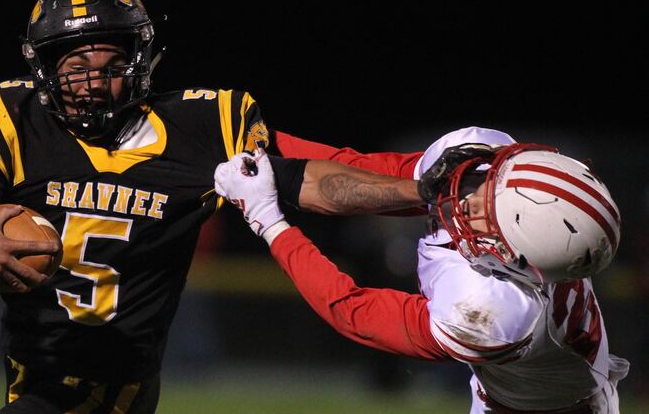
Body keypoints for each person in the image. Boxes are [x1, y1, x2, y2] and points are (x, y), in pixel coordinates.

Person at [0, 0, 430, 412]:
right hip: (36, 378)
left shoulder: (201, 129)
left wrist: (429, 192)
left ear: (140, 63)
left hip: (123, 385)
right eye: (75, 67)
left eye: (110, 66)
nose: (92, 83)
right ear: (46, 70)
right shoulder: (8, 122)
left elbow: (315, 182)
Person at [214, 127, 629, 413]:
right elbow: (362, 170)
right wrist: (249, 138)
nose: (471, 200)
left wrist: (269, 222)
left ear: (520, 263)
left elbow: (351, 309)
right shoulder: (485, 154)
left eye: (492, 216)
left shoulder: (498, 313)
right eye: (496, 183)